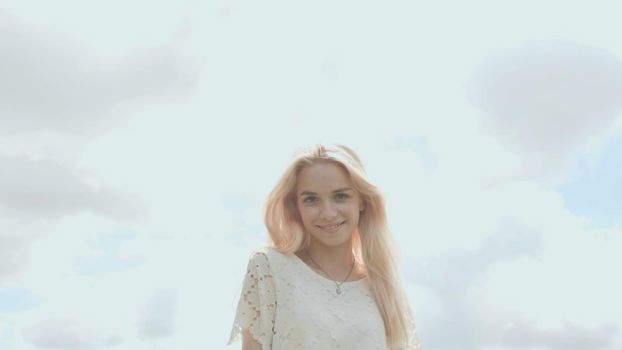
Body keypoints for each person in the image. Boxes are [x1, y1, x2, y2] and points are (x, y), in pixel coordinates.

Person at [227, 144, 422, 350]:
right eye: (311, 199)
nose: (328, 213)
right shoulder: (269, 268)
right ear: (296, 207)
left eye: (341, 196)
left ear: (362, 201)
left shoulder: (385, 287)